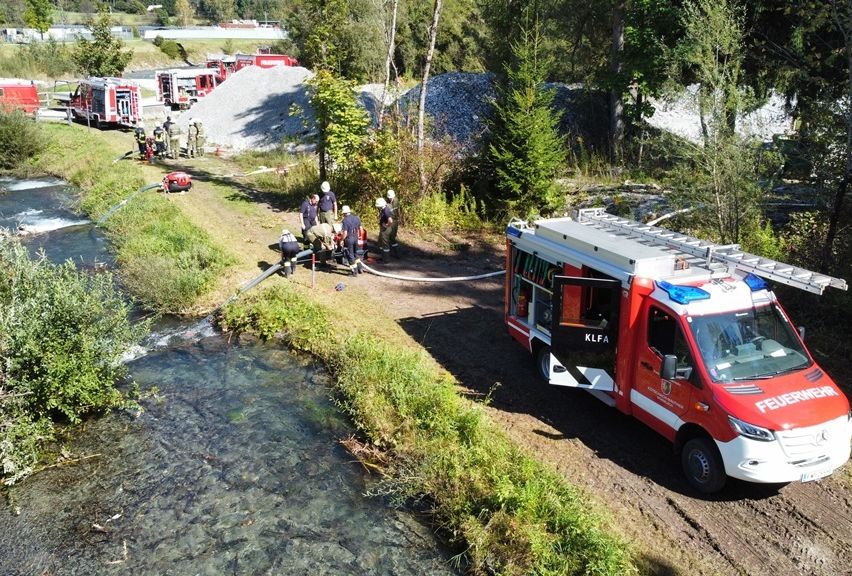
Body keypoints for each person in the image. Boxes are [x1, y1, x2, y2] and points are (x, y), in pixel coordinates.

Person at [340, 205, 364, 276]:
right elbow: (361, 229)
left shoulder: (345, 220)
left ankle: (354, 272)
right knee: (356, 254)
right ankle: (360, 268)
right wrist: (359, 236)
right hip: (356, 238)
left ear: (344, 213)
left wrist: (341, 240)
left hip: (349, 239)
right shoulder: (357, 218)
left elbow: (345, 233)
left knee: (350, 255)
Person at [386, 189, 400, 257]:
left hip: (394, 221)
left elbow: (393, 211)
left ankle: (396, 253)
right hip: (392, 220)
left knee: (392, 237)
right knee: (389, 237)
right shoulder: (391, 201)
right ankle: (392, 251)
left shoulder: (395, 202)